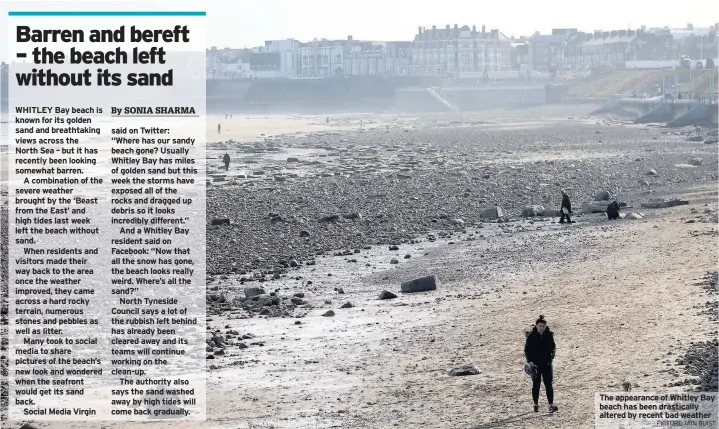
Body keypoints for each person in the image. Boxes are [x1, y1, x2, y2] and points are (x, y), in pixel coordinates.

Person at [524, 315, 558, 413]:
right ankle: (535, 404)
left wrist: (551, 357)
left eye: (543, 326)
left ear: (545, 326)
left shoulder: (549, 335)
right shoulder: (531, 336)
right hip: (535, 365)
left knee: (548, 384)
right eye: (540, 326)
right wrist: (530, 361)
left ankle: (551, 405)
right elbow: (527, 350)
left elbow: (553, 347)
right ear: (536, 326)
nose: (542, 328)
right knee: (536, 385)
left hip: (547, 364)